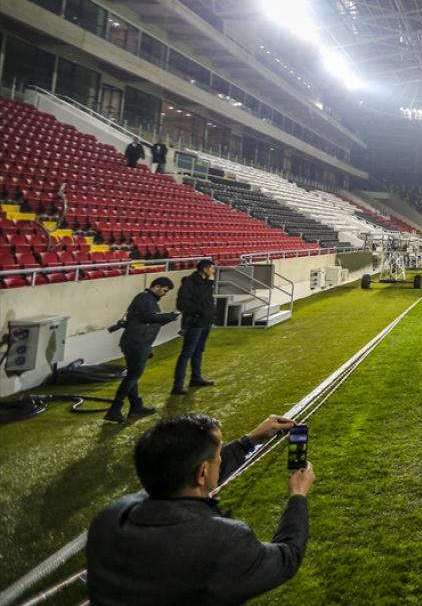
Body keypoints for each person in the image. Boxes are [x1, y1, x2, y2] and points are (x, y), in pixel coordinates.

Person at [85, 413, 315, 605]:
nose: (220, 461)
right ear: (202, 472)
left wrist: (249, 441)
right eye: (217, 457)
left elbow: (188, 476)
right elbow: (287, 557)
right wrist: (298, 495)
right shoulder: (223, 541)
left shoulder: (110, 518)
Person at [105, 277, 180, 424]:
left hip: (138, 342)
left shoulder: (146, 300)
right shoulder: (145, 298)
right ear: (157, 287)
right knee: (133, 376)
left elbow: (149, 321)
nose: (164, 294)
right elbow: (149, 317)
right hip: (137, 342)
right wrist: (169, 316)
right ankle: (114, 409)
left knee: (133, 375)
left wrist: (167, 318)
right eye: (164, 291)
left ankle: (135, 406)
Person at [173, 259, 217, 395]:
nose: (213, 271)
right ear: (204, 269)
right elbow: (182, 303)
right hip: (195, 322)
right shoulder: (189, 283)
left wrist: (210, 315)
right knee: (187, 353)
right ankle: (177, 385)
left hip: (205, 322)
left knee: (198, 351)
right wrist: (200, 312)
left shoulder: (206, 283)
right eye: (211, 268)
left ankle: (196, 378)